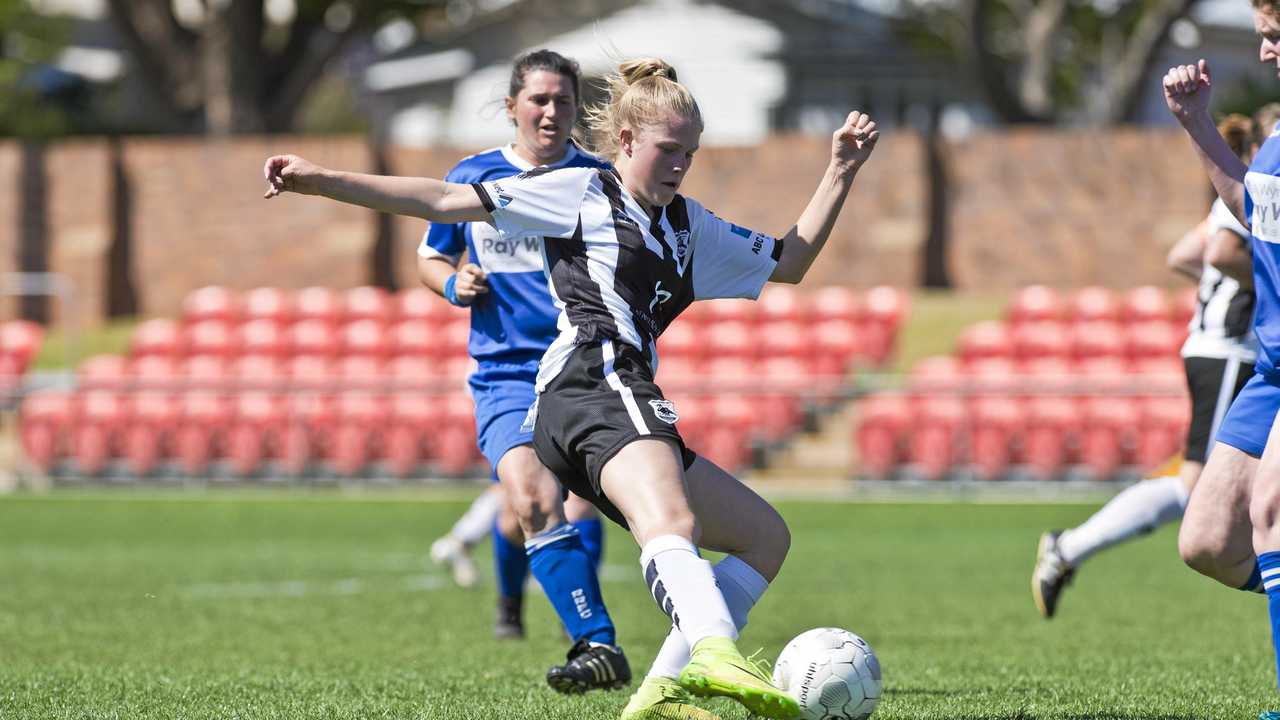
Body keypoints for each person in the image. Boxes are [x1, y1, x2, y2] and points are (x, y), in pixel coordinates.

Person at [262, 56, 878, 720]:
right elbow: (441, 200)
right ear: (627, 142)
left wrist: (840, 169)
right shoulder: (580, 190)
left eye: (690, 153)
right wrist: (318, 181)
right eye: (668, 150)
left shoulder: (687, 226)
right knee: (670, 522)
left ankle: (663, 691)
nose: (679, 164)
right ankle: (713, 652)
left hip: (615, 392)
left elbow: (790, 262)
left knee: (763, 537)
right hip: (591, 380)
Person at [417, 51, 615, 665]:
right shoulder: (473, 175)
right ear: (513, 107)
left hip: (582, 368)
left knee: (579, 508)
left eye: (563, 100)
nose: (552, 111)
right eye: (539, 99)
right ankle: (517, 608)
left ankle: (587, 634)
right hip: (506, 370)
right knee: (525, 502)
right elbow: (430, 257)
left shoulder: (599, 177)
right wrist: (453, 284)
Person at [1032, 114, 1260, 618]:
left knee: (1213, 484)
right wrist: (1262, 280)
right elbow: (1221, 252)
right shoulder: (1257, 185)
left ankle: (1069, 548)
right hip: (1229, 351)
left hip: (1220, 350)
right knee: (1199, 487)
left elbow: (1184, 254)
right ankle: (1069, 548)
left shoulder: (1249, 187)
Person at [1162, 13, 1280, 717]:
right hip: (1270, 367)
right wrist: (1196, 123)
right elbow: (1248, 209)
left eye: (1277, 32)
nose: (1266, 48)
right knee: (1208, 542)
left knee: (1272, 509)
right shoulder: (1278, 141)